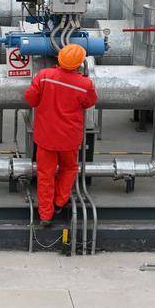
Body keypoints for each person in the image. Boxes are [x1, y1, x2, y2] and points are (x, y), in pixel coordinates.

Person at [23, 43, 98, 227]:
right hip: (69, 139)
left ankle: (45, 215)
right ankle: (59, 202)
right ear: (80, 63)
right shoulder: (85, 84)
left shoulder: (44, 76)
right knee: (69, 169)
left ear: (59, 58)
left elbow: (30, 99)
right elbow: (90, 103)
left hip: (46, 137)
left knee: (45, 175)